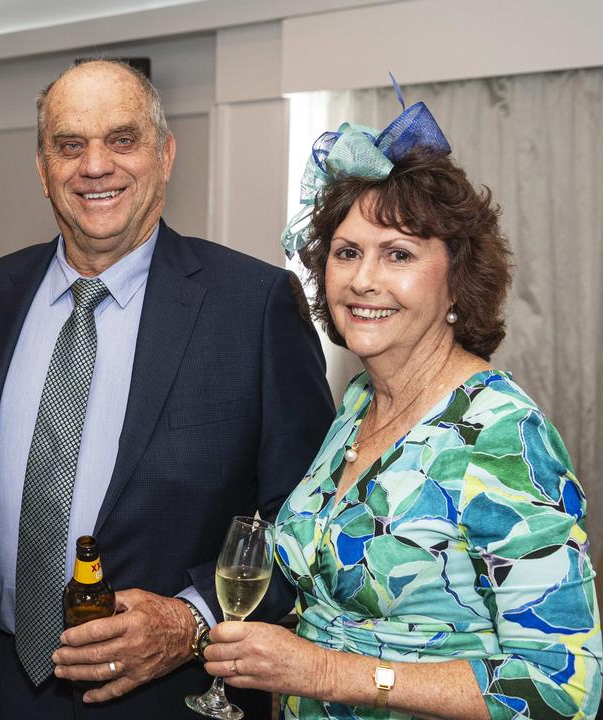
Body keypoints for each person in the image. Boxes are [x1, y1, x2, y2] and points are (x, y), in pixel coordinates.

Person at [0, 58, 334, 718]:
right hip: (1, 686)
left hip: (172, 695)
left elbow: (311, 521)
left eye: (122, 140)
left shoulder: (253, 304)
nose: (96, 166)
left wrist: (191, 621)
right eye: (70, 145)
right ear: (43, 169)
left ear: (165, 154)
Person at [202, 101, 602, 719]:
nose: (363, 280)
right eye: (346, 252)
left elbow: (564, 690)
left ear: (457, 278)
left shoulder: (503, 437)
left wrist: (328, 671)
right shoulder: (361, 402)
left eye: (398, 255)